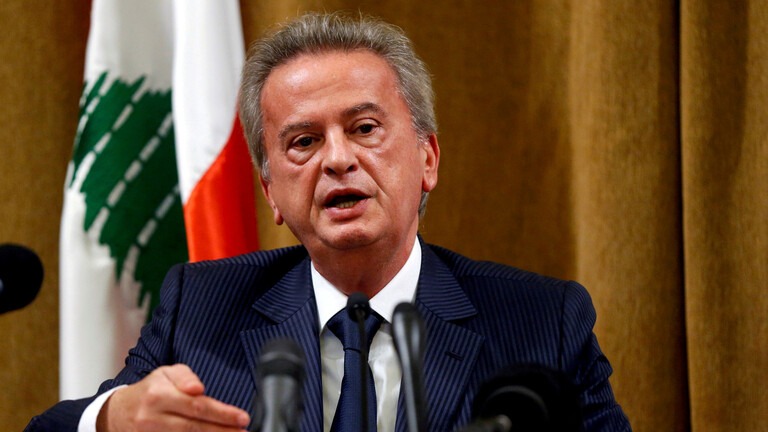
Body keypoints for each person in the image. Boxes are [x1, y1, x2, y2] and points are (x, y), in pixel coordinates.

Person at [27, 12, 631, 432]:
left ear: (427, 160)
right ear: (271, 193)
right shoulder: (202, 309)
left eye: (364, 129)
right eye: (304, 141)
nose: (338, 159)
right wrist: (112, 417)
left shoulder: (542, 321)